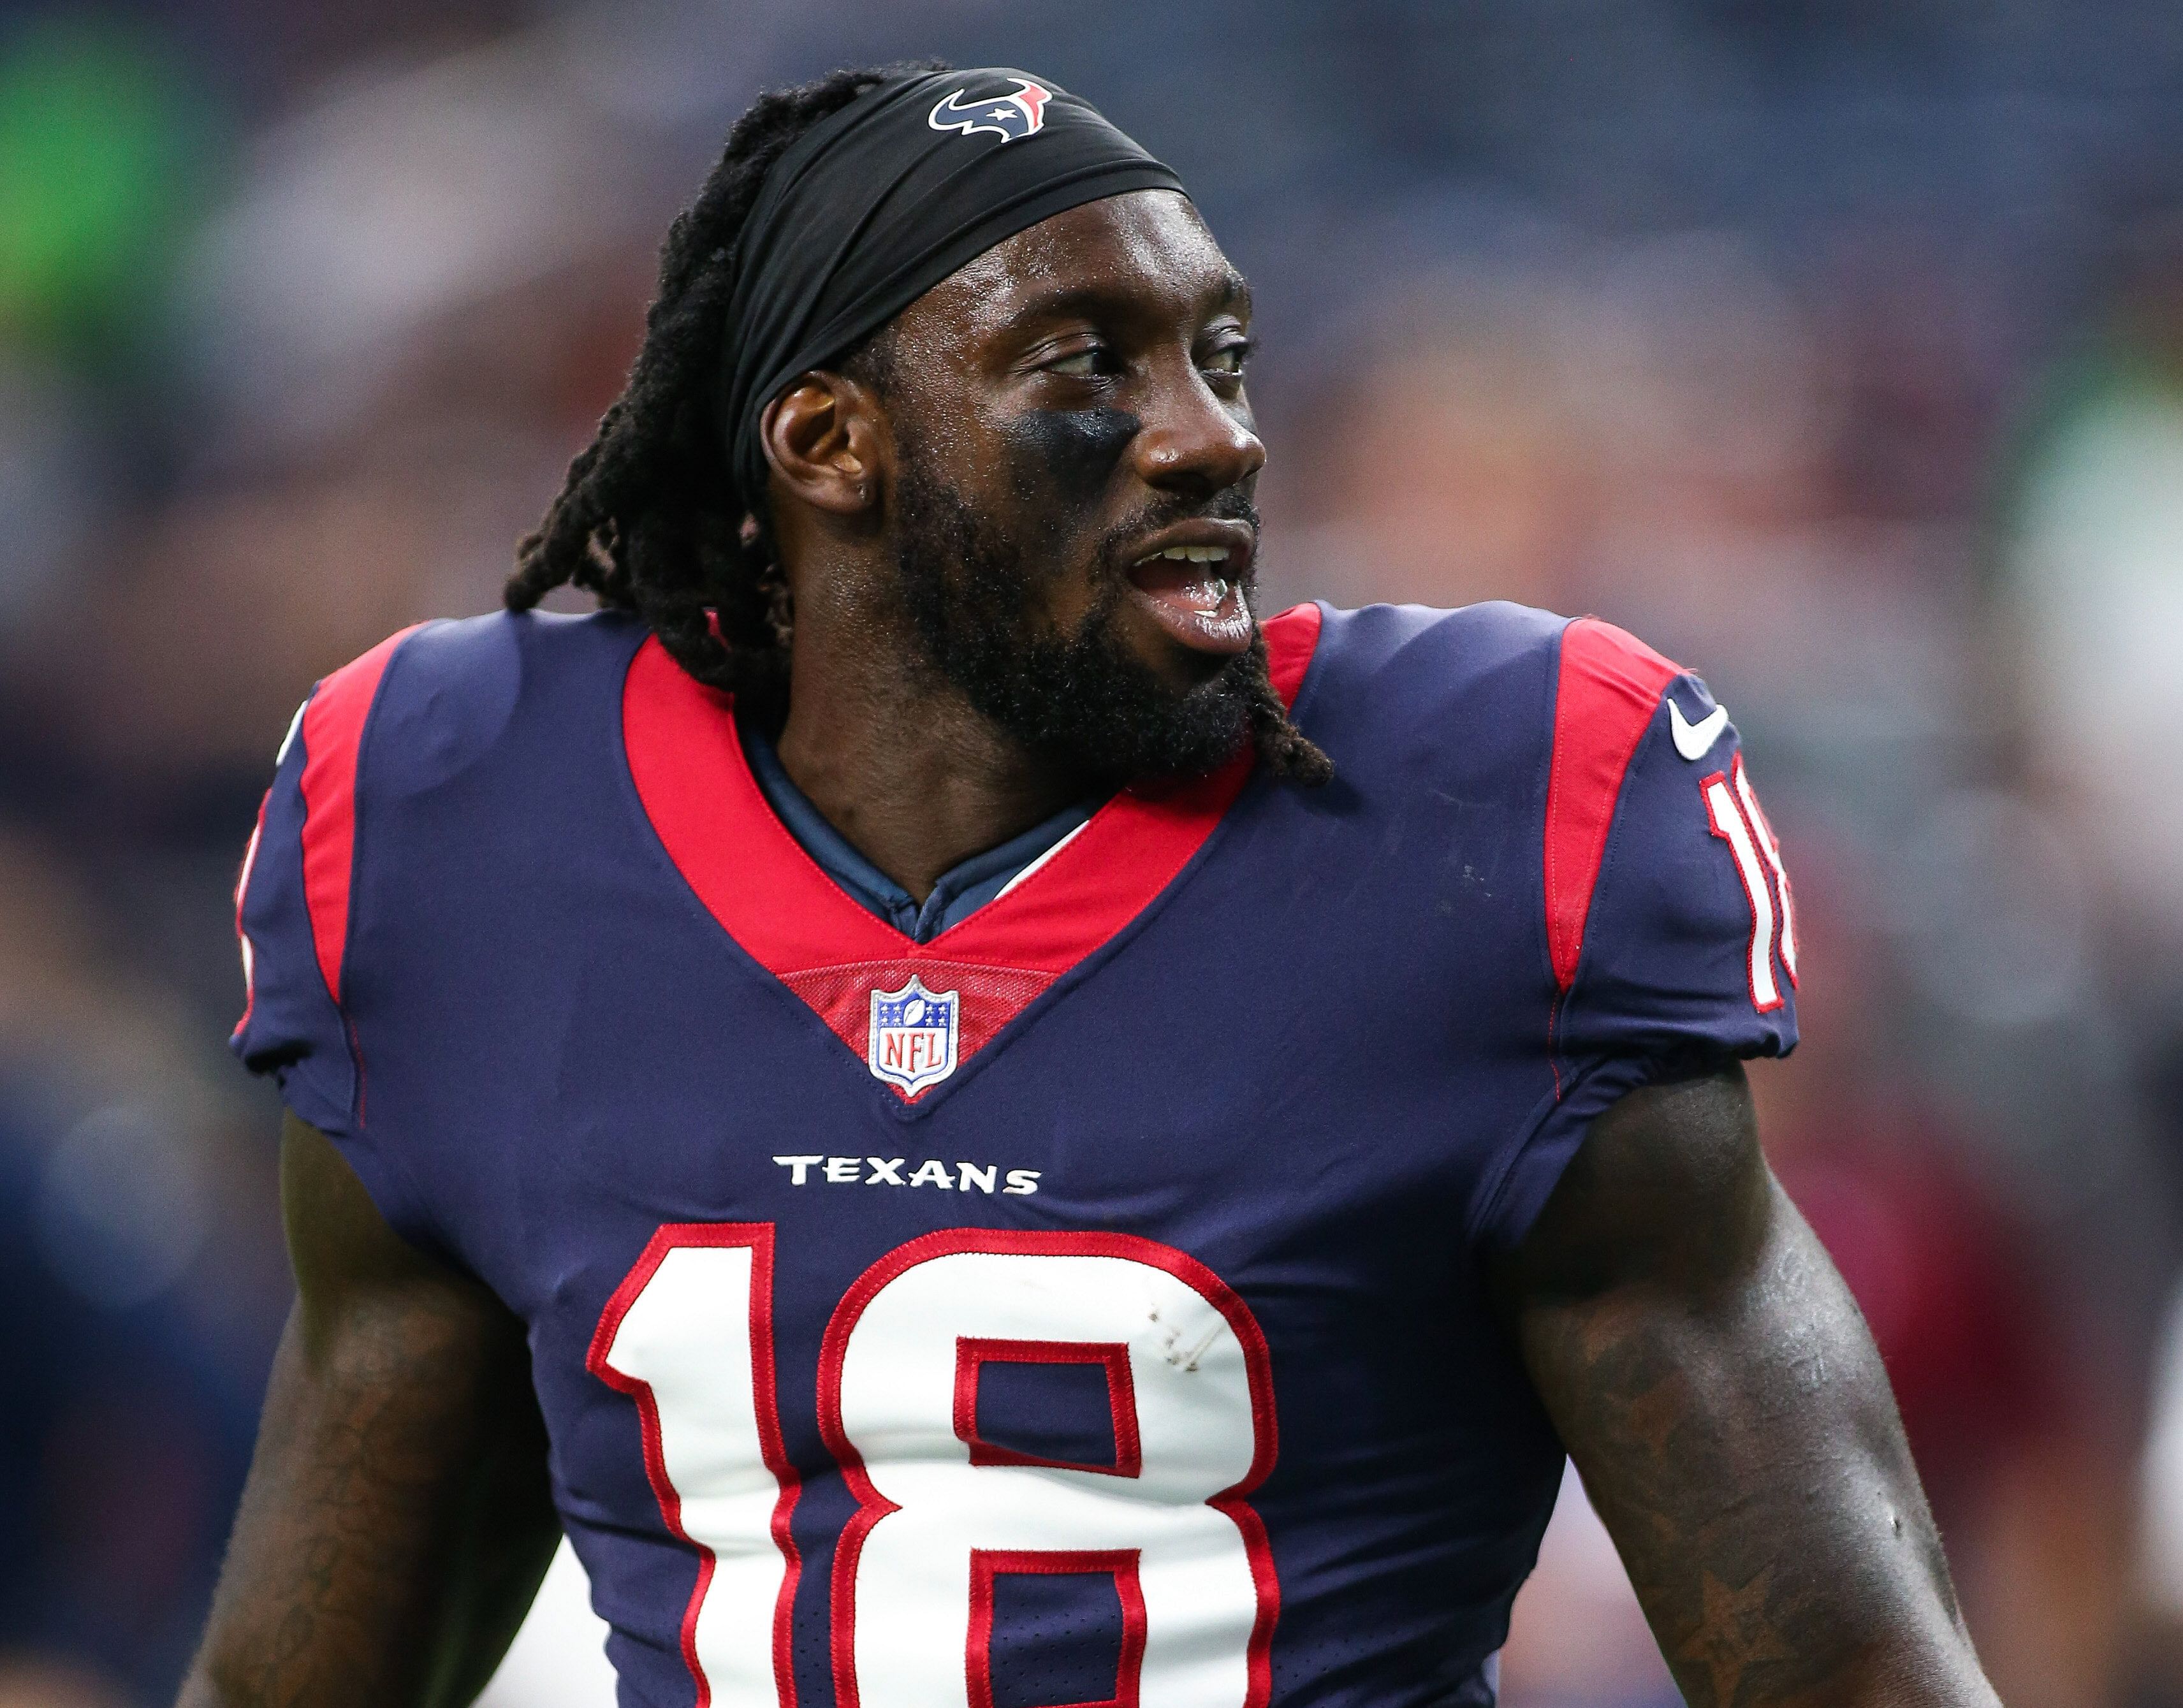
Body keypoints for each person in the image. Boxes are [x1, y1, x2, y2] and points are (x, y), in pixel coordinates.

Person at [179, 63, 1999, 1708]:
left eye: (1221, 353)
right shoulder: (465, 828)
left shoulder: (1485, 821)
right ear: (828, 444)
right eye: (1086, 364)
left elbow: (1847, 1666)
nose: (1215, 432)